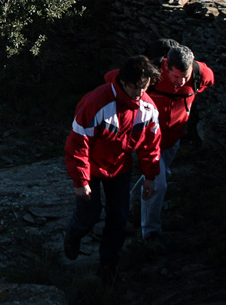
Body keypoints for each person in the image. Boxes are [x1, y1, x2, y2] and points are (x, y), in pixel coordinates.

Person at [63, 55, 162, 285]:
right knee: (90, 213)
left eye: (145, 87)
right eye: (137, 88)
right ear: (124, 82)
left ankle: (108, 264)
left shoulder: (148, 108)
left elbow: (151, 144)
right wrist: (81, 181)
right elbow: (78, 143)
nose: (141, 93)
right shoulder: (97, 103)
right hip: (93, 167)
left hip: (120, 169)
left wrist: (150, 176)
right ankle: (74, 234)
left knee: (118, 218)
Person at [133, 41, 215, 241]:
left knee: (155, 177)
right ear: (166, 66)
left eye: (184, 77)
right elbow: (115, 80)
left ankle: (131, 205)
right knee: (159, 184)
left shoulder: (200, 75)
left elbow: (210, 81)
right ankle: (150, 233)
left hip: (173, 138)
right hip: (148, 140)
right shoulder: (150, 73)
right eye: (175, 76)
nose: (179, 82)